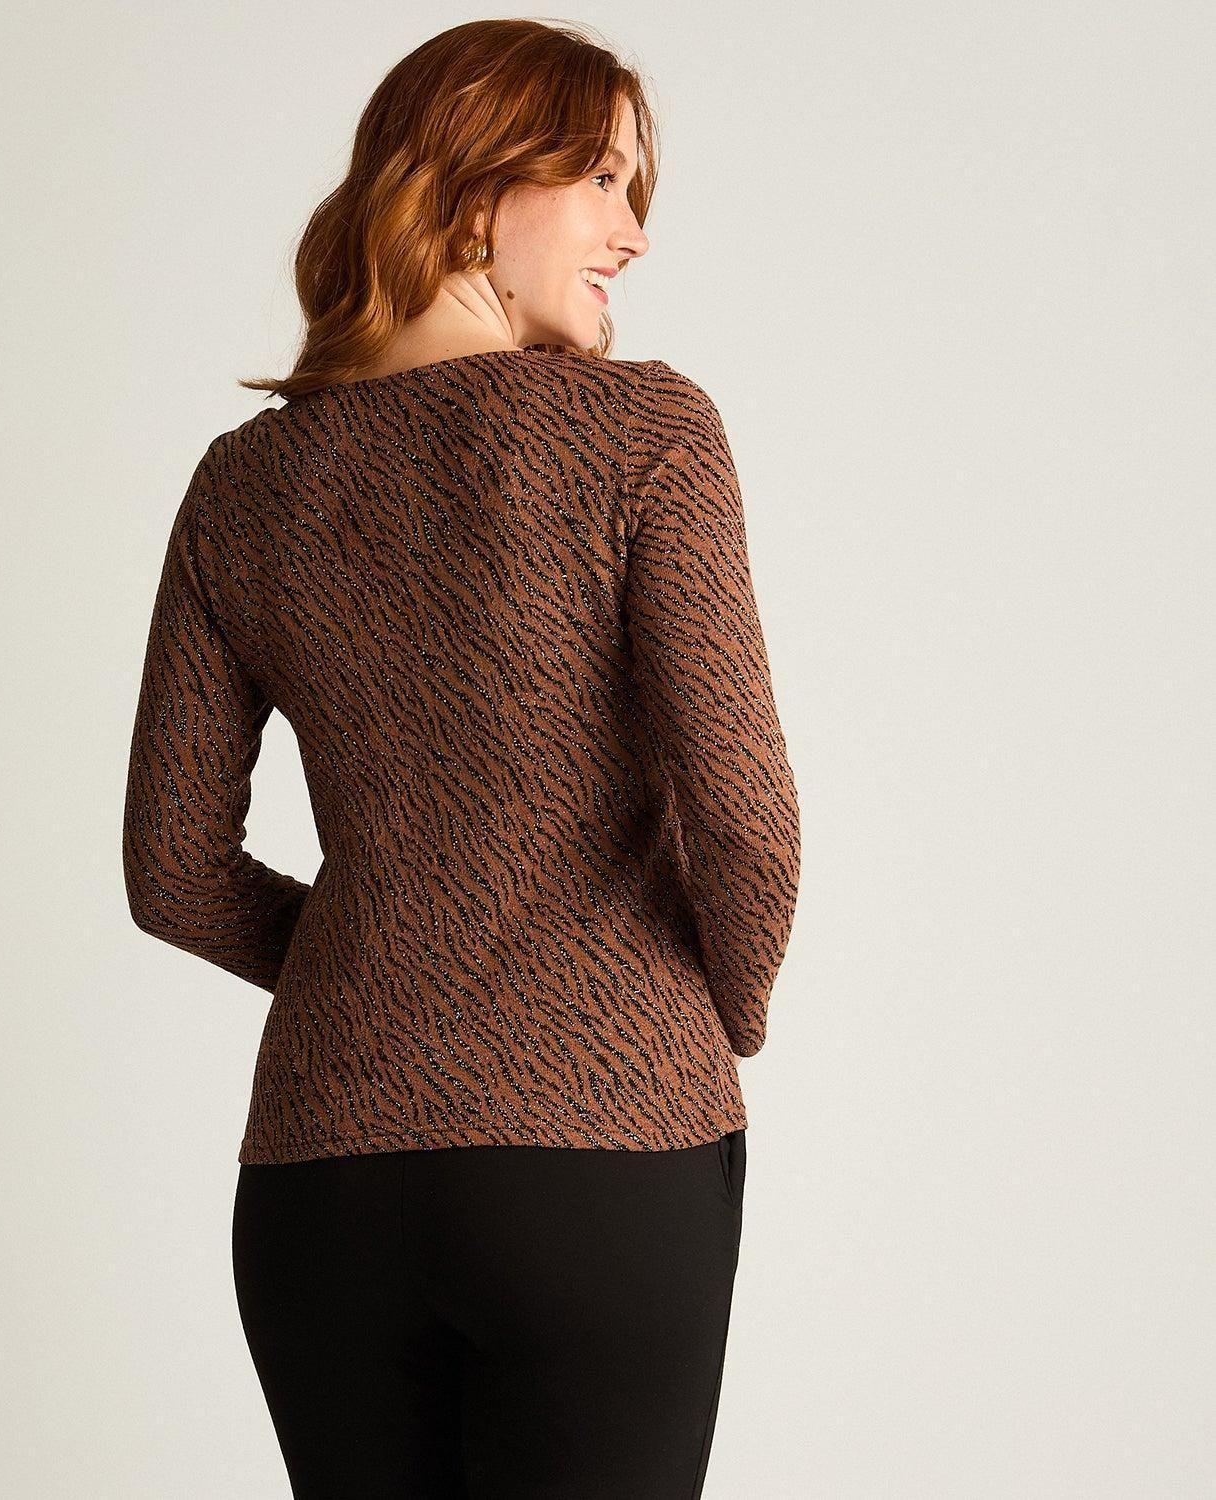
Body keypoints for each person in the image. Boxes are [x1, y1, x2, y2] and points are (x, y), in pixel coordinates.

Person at [121, 18, 801, 1498]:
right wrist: (713, 1013)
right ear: (477, 184)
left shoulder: (244, 485)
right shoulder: (644, 431)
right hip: (603, 1164)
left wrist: (386, 968)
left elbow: (172, 872)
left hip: (321, 1189)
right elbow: (747, 814)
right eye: (604, 180)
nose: (634, 231)